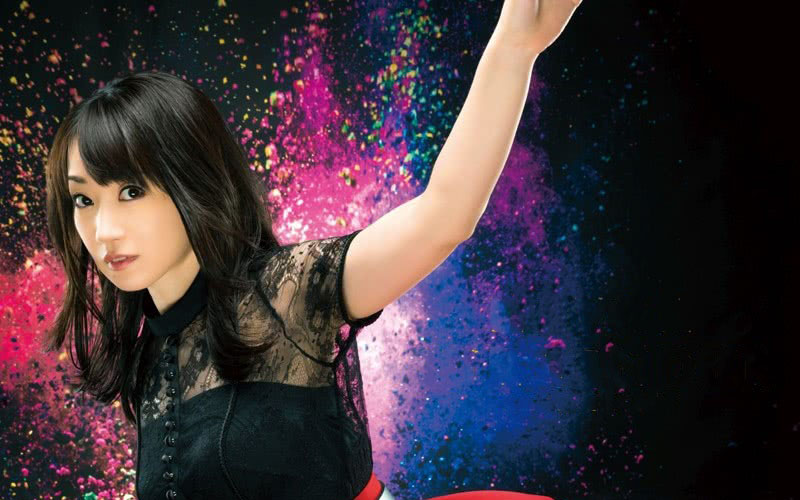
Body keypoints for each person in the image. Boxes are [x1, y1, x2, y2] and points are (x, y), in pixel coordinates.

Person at [42, 0, 582, 498]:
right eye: (83, 200)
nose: (103, 230)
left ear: (193, 181)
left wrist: (516, 45)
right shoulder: (148, 357)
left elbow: (446, 215)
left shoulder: (291, 290)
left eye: (131, 192)